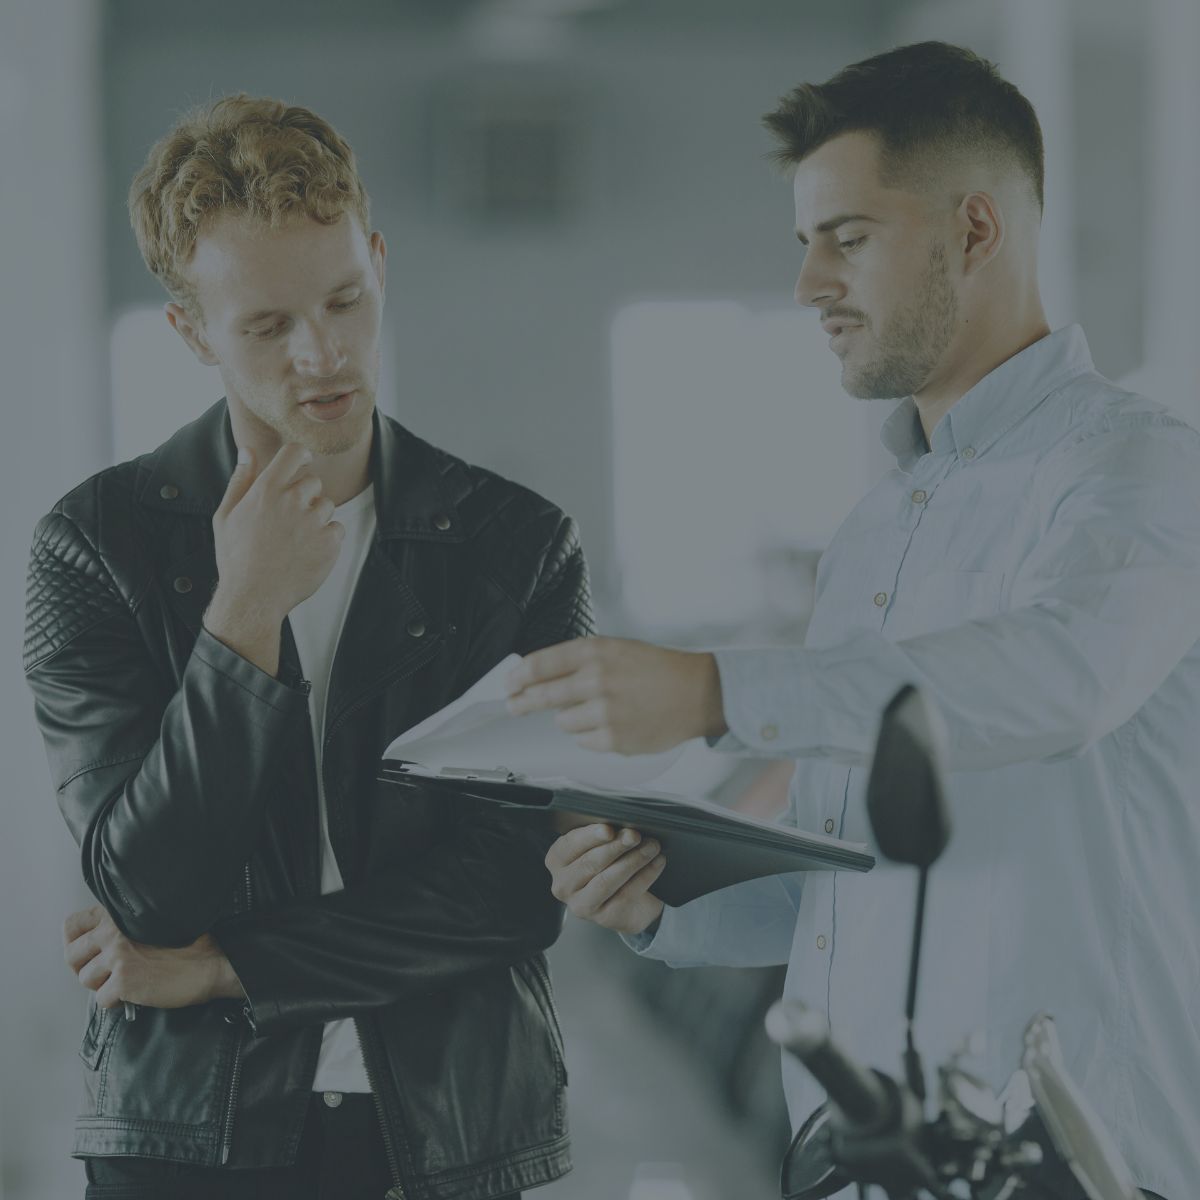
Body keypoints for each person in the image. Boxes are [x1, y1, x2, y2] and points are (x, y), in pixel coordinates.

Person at [505, 42, 1197, 1200]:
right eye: (804, 243)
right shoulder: (879, 531)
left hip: (1073, 1162)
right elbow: (856, 879)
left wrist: (719, 693)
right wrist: (660, 901)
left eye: (850, 238)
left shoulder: (1133, 468)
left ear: (975, 231)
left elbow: (1065, 678)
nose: (809, 284)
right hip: (869, 1158)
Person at [24, 94, 589, 1200]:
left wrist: (230, 967)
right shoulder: (95, 549)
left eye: (344, 298)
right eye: (268, 325)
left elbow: (516, 885)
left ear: (378, 261)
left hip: (452, 1126)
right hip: (190, 1135)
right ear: (192, 332)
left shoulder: (513, 545)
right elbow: (146, 895)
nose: (324, 354)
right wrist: (240, 616)